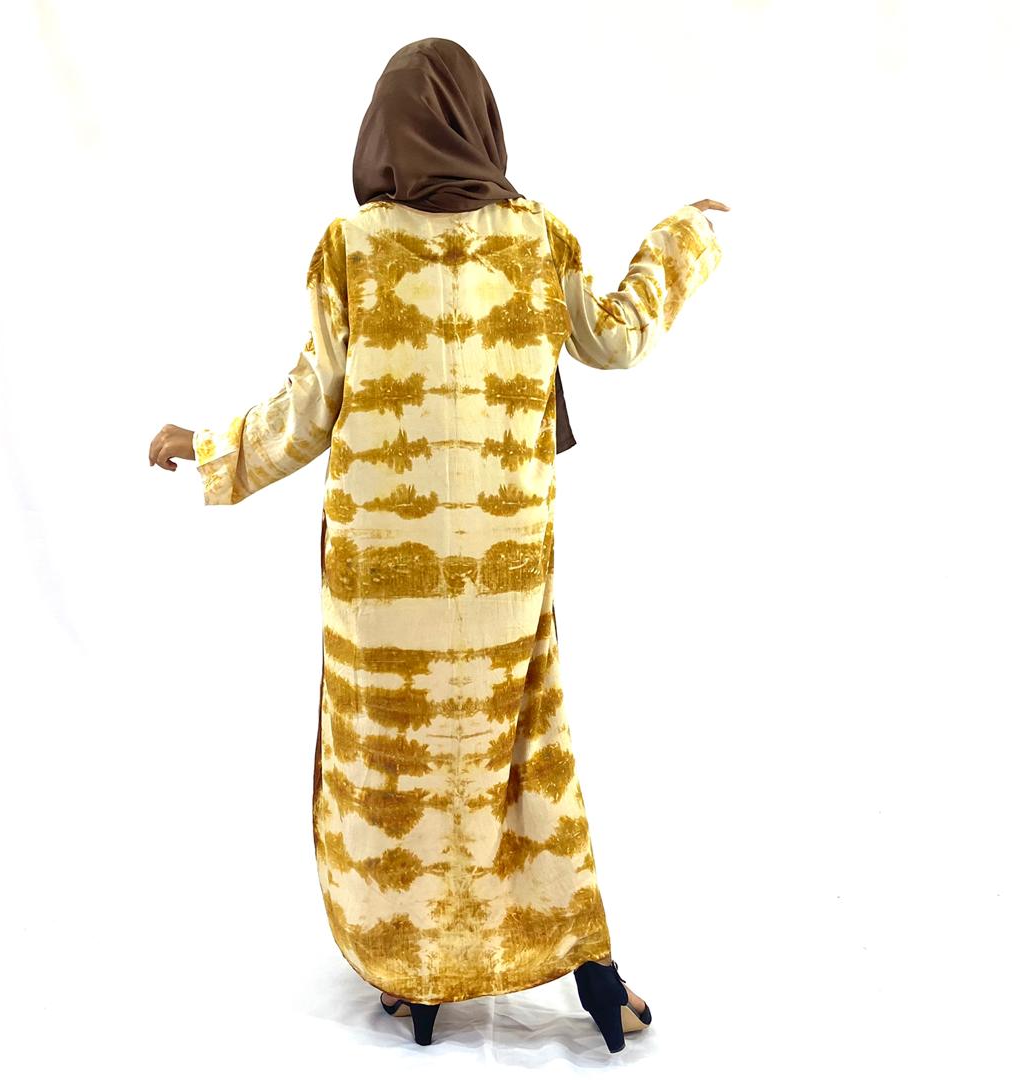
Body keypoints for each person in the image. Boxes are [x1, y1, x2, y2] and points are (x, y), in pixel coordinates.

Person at [149, 36, 728, 1053]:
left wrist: (207, 448)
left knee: (396, 767)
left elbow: (307, 412)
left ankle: (415, 977)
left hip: (381, 572)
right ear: (481, 126)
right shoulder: (537, 239)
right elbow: (617, 338)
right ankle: (594, 974)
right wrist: (683, 238)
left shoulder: (352, 248)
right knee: (525, 758)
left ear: (384, 133)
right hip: (507, 563)